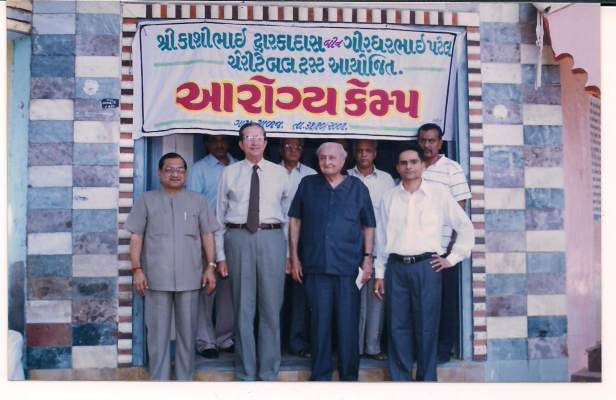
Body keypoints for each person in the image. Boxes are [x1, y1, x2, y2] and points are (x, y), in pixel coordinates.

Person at [374, 143, 474, 381]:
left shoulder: (438, 194)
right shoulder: (389, 197)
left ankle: (426, 381)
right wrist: (379, 273)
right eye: (404, 163)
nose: (409, 167)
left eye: (414, 162)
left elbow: (465, 227)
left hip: (427, 267)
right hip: (396, 268)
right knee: (397, 326)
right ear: (397, 167)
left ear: (422, 166)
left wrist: (452, 258)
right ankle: (401, 380)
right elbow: (382, 238)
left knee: (426, 325)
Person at [126, 152, 219, 380]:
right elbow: (136, 236)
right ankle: (160, 383)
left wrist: (210, 266)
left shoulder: (198, 201)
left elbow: (208, 235)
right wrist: (137, 270)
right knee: (157, 335)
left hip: (191, 278)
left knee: (188, 333)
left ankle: (184, 381)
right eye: (169, 169)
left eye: (180, 169)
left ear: (186, 174)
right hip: (155, 278)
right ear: (160, 173)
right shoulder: (146, 200)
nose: (175, 174)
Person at [289, 142, 376, 381]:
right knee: (319, 324)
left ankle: (349, 377)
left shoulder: (357, 187)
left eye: (332, 158)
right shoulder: (308, 184)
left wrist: (367, 259)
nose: (327, 162)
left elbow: (368, 225)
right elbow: (295, 220)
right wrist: (294, 257)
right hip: (315, 265)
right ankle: (321, 377)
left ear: (343, 160)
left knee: (348, 324)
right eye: (323, 158)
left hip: (348, 267)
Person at [215, 122, 291, 381]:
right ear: (241, 144)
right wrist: (220, 256)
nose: (254, 142)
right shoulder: (229, 173)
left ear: (266, 142)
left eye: (259, 137)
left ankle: (268, 371)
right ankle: (245, 371)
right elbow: (218, 216)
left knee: (271, 307)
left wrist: (288, 254)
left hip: (272, 239)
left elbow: (288, 217)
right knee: (243, 309)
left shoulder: (280, 173)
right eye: (249, 138)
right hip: (238, 238)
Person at [417, 123, 472, 364]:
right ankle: (423, 349)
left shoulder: (452, 169)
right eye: (423, 140)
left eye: (432, 141)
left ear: (440, 143)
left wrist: (451, 249)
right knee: (423, 303)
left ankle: (443, 350)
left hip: (443, 248)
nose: (427, 145)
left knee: (444, 301)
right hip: (418, 247)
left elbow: (460, 209)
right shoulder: (414, 166)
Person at [186, 135, 237, 359]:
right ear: (206, 144)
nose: (219, 145)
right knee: (207, 288)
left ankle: (224, 338)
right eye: (213, 141)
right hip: (206, 235)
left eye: (223, 140)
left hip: (233, 233)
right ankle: (205, 341)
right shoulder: (199, 170)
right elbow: (193, 206)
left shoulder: (239, 166)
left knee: (229, 290)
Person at [348, 140, 394, 361]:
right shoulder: (346, 176)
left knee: (377, 297)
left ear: (375, 153)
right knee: (353, 299)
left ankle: (373, 347)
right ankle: (354, 347)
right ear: (353, 153)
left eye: (368, 151)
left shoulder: (386, 180)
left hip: (379, 246)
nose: (363, 154)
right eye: (359, 151)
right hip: (350, 247)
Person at [279, 137, 317, 358]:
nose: (294, 150)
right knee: (274, 297)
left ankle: (297, 343)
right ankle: (274, 343)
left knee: (300, 298)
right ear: (280, 149)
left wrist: (294, 255)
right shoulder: (271, 172)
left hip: (303, 245)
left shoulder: (311, 175)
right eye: (289, 146)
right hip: (274, 241)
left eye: (298, 147)